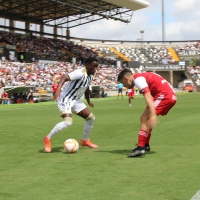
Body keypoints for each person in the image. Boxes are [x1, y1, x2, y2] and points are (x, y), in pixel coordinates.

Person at [43, 57, 99, 153]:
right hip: (66, 99)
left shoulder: (91, 74)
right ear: (87, 65)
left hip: (76, 100)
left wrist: (88, 100)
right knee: (68, 122)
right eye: (93, 66)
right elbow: (64, 77)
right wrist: (58, 91)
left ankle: (85, 140)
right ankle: (47, 138)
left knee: (91, 118)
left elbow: (86, 87)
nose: (95, 69)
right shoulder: (79, 73)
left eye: (96, 67)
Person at [117, 68, 177, 157]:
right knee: (146, 119)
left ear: (127, 79)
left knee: (144, 118)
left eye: (123, 83)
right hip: (169, 95)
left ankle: (141, 147)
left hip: (164, 96)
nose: (124, 86)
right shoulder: (141, 76)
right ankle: (145, 145)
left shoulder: (138, 79)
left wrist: (153, 114)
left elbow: (148, 95)